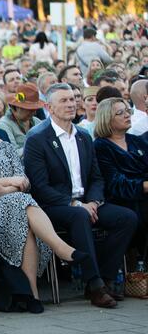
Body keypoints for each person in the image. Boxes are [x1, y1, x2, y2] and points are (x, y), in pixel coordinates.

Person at [0, 105, 87, 313]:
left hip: (14, 203)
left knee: (23, 214)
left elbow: (25, 182)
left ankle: (31, 294)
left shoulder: (5, 147)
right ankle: (58, 249)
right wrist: (10, 182)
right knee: (22, 204)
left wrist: (3, 189)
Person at [24, 84, 138, 308]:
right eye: (63, 101)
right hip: (54, 205)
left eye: (71, 100)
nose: (70, 104)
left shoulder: (84, 136)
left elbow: (96, 177)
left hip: (87, 202)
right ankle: (95, 285)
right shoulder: (37, 138)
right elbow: (39, 186)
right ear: (49, 107)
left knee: (127, 218)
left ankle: (103, 279)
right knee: (79, 216)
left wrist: (94, 201)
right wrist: (74, 203)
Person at [93, 97, 148, 253]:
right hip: (119, 199)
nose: (127, 115)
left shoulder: (137, 141)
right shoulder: (101, 146)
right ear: (107, 119)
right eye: (120, 112)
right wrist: (144, 186)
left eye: (128, 111)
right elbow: (115, 184)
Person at [0, 83, 44, 157]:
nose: (34, 112)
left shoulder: (37, 121)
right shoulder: (3, 125)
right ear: (15, 107)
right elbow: (12, 154)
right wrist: (36, 146)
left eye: (35, 109)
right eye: (29, 109)